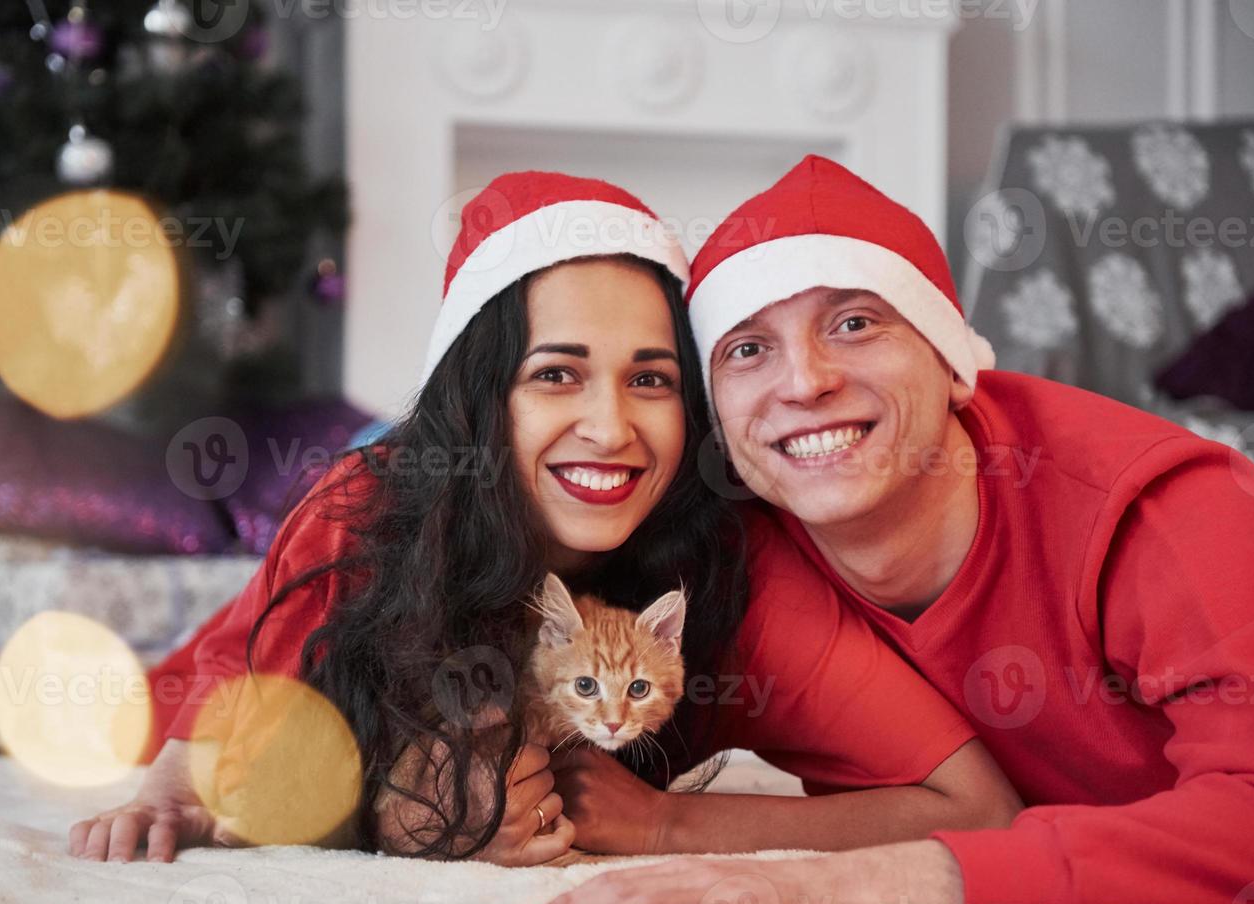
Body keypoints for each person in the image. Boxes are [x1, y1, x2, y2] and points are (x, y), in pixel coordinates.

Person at [68, 170, 1018, 867]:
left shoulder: (734, 567)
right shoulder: (370, 507)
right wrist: (375, 814)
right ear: (486, 401)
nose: (610, 429)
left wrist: (670, 824)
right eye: (554, 373)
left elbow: (975, 805)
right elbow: (224, 719)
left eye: (650, 378)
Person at [533, 155, 1254, 904]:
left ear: (954, 365)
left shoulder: (1170, 509)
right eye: (747, 349)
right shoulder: (727, 559)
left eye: (853, 323)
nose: (805, 383)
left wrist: (864, 885)